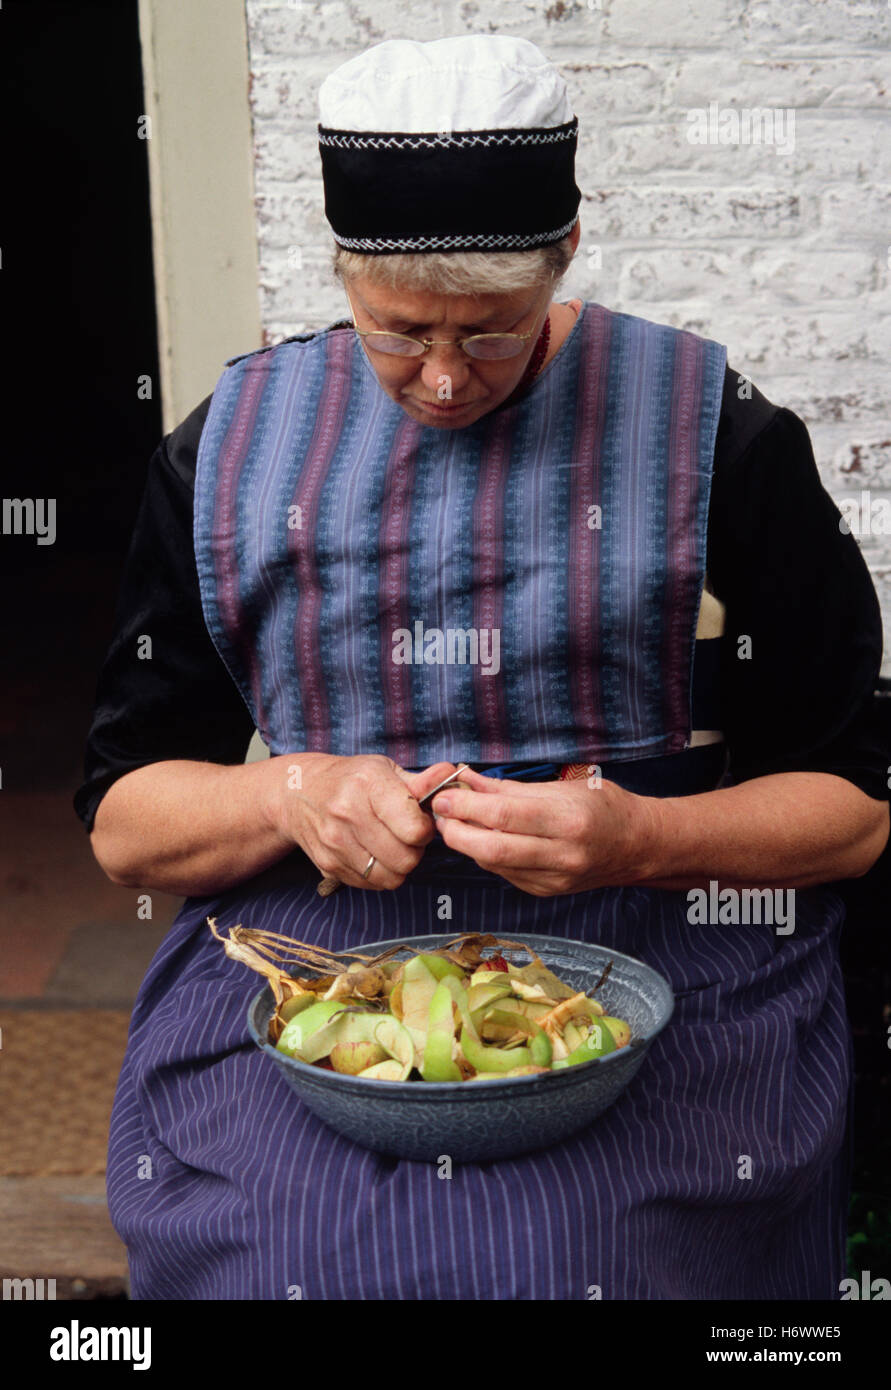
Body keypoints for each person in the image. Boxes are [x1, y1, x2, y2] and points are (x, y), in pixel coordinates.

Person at [76, 35, 888, 1300]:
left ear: (565, 256)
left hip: (660, 934)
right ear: (341, 273)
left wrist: (640, 840)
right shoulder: (229, 450)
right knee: (293, 1250)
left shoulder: (710, 429)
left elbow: (855, 810)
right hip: (323, 949)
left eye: (495, 335)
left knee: (595, 1254)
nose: (447, 377)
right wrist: (286, 794)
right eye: (399, 332)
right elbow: (127, 831)